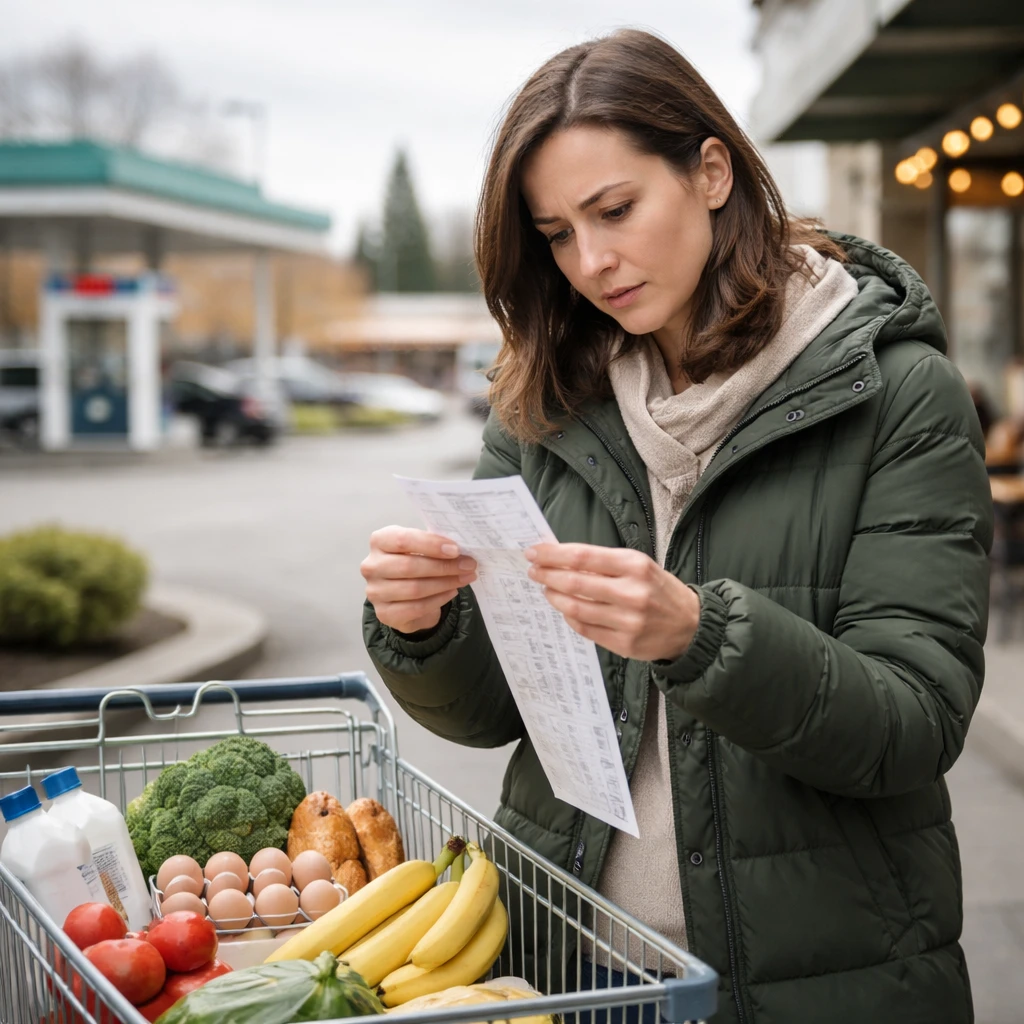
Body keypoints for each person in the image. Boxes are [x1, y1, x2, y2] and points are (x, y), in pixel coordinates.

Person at [362, 28, 992, 1024]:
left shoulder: (901, 393)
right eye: (557, 234)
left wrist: (703, 637)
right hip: (558, 965)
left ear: (709, 171)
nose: (591, 261)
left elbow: (912, 723)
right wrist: (421, 629)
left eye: (614, 209)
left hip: (820, 980)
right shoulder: (543, 397)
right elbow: (490, 713)